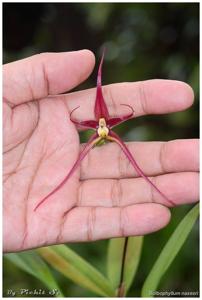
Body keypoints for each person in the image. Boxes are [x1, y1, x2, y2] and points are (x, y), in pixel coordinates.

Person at [3, 50, 199, 253]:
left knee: (135, 163)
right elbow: (90, 114)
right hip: (99, 131)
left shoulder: (104, 125)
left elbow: (120, 115)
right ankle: (50, 194)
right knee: (73, 167)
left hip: (102, 131)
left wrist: (102, 126)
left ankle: (156, 188)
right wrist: (98, 127)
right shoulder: (98, 126)